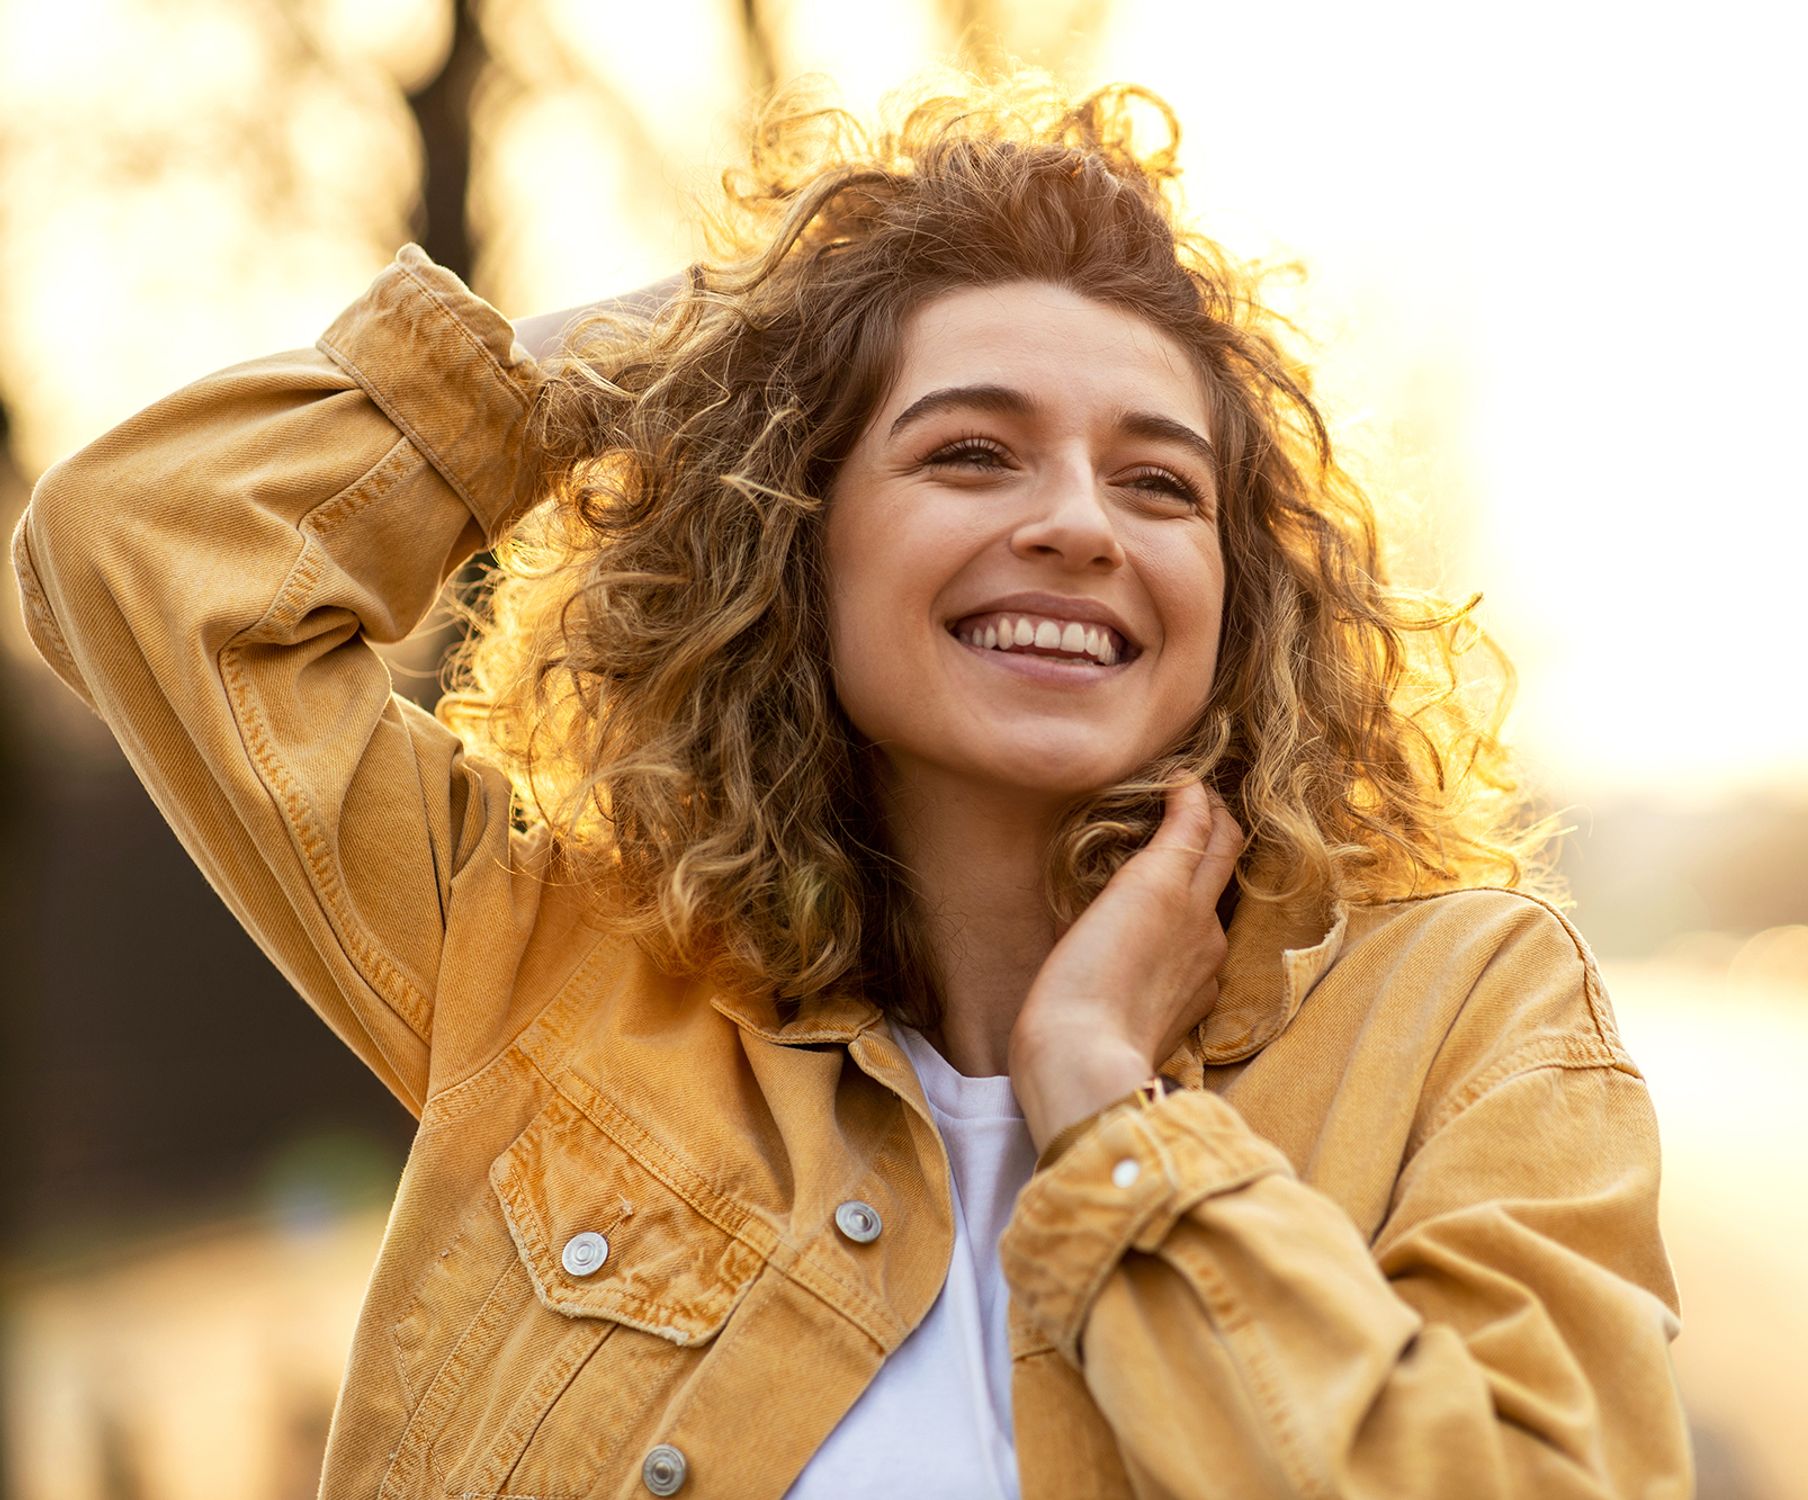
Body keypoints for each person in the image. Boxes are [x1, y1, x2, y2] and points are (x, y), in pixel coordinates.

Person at [11, 73, 1692, 1500]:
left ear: (1238, 593)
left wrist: (1109, 1107)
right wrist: (717, 341)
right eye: (970, 450)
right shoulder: (555, 976)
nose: (1079, 524)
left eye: (1160, 484)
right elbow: (151, 550)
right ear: (790, 542)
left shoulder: (1465, 1010)